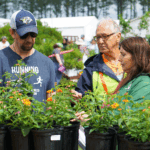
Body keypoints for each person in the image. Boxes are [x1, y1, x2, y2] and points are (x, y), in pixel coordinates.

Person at [0, 9, 55, 102]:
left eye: (33, 34)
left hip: (40, 117)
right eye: (24, 35)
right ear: (12, 33)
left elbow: (52, 98)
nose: (29, 39)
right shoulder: (2, 59)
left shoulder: (47, 63)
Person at [72, 18, 123, 99]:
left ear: (118, 36)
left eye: (105, 36)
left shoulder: (133, 62)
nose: (100, 41)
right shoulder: (92, 68)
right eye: (98, 37)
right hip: (103, 111)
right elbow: (82, 94)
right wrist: (77, 98)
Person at [113, 37, 150, 102]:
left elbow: (132, 110)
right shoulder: (130, 79)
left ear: (137, 56)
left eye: (123, 55)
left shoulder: (145, 83)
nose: (119, 59)